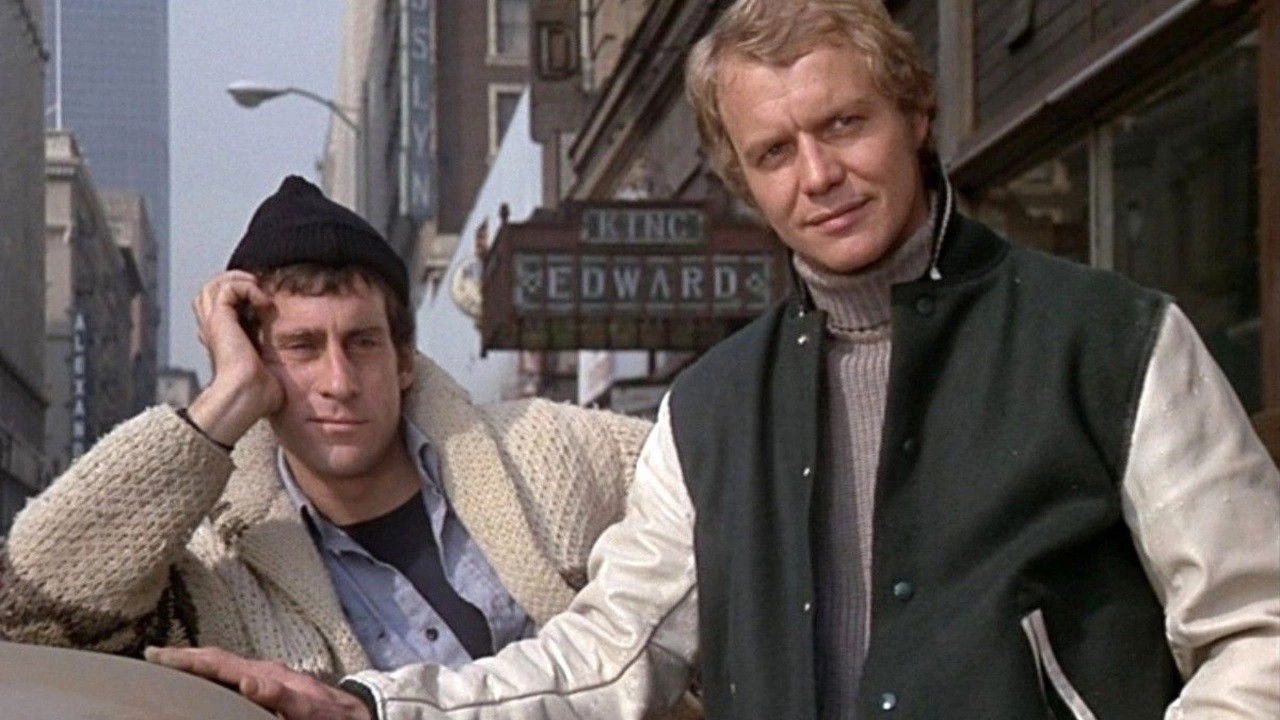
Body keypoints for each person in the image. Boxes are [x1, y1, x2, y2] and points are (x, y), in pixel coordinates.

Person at [148, 1, 1280, 718]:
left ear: (915, 113)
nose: (817, 175)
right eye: (774, 151)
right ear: (742, 179)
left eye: (843, 125)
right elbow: (610, 656)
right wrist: (371, 706)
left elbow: (1256, 633)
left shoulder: (1109, 339)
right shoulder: (713, 409)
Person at [0, 176, 654, 700]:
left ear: (403, 360)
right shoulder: (221, 575)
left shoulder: (543, 452)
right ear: (254, 362)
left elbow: (704, 478)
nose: (338, 382)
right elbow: (26, 612)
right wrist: (227, 399)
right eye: (301, 347)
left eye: (362, 342)